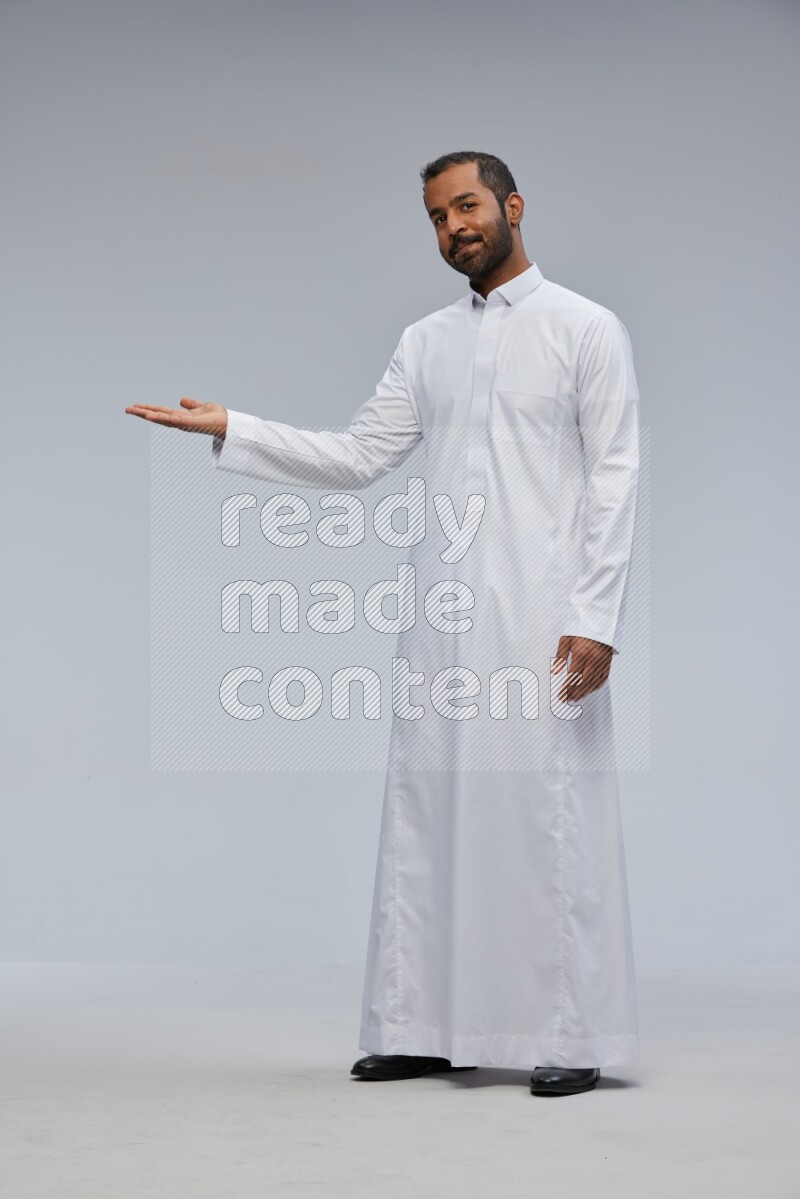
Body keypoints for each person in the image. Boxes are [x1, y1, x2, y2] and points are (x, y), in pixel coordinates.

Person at [126, 151, 642, 1097]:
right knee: (429, 814)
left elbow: (615, 475)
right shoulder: (426, 340)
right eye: (439, 217)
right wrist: (233, 426)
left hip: (545, 613)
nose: (456, 227)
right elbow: (361, 455)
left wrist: (595, 614)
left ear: (513, 206)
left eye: (469, 206)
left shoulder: (585, 329)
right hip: (443, 613)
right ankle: (422, 1025)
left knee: (549, 814)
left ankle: (569, 1029)